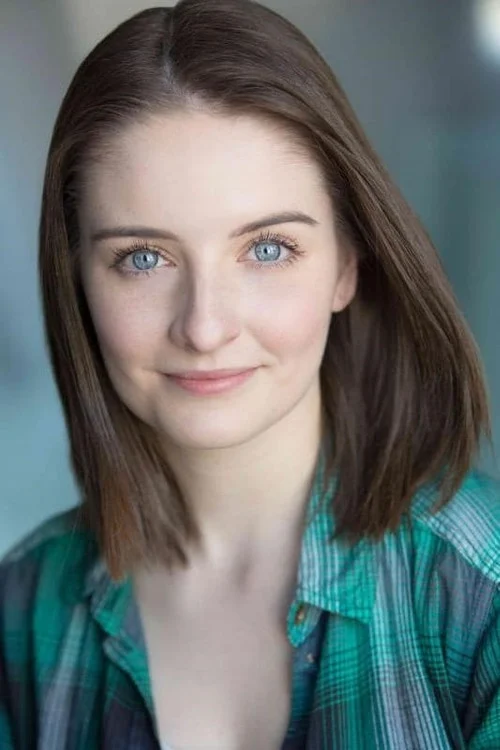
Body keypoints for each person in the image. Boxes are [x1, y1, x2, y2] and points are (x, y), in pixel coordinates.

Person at [1, 0, 499, 747]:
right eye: (143, 258)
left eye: (267, 249)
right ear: (77, 281)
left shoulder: (482, 593)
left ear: (347, 265)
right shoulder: (22, 610)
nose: (205, 327)